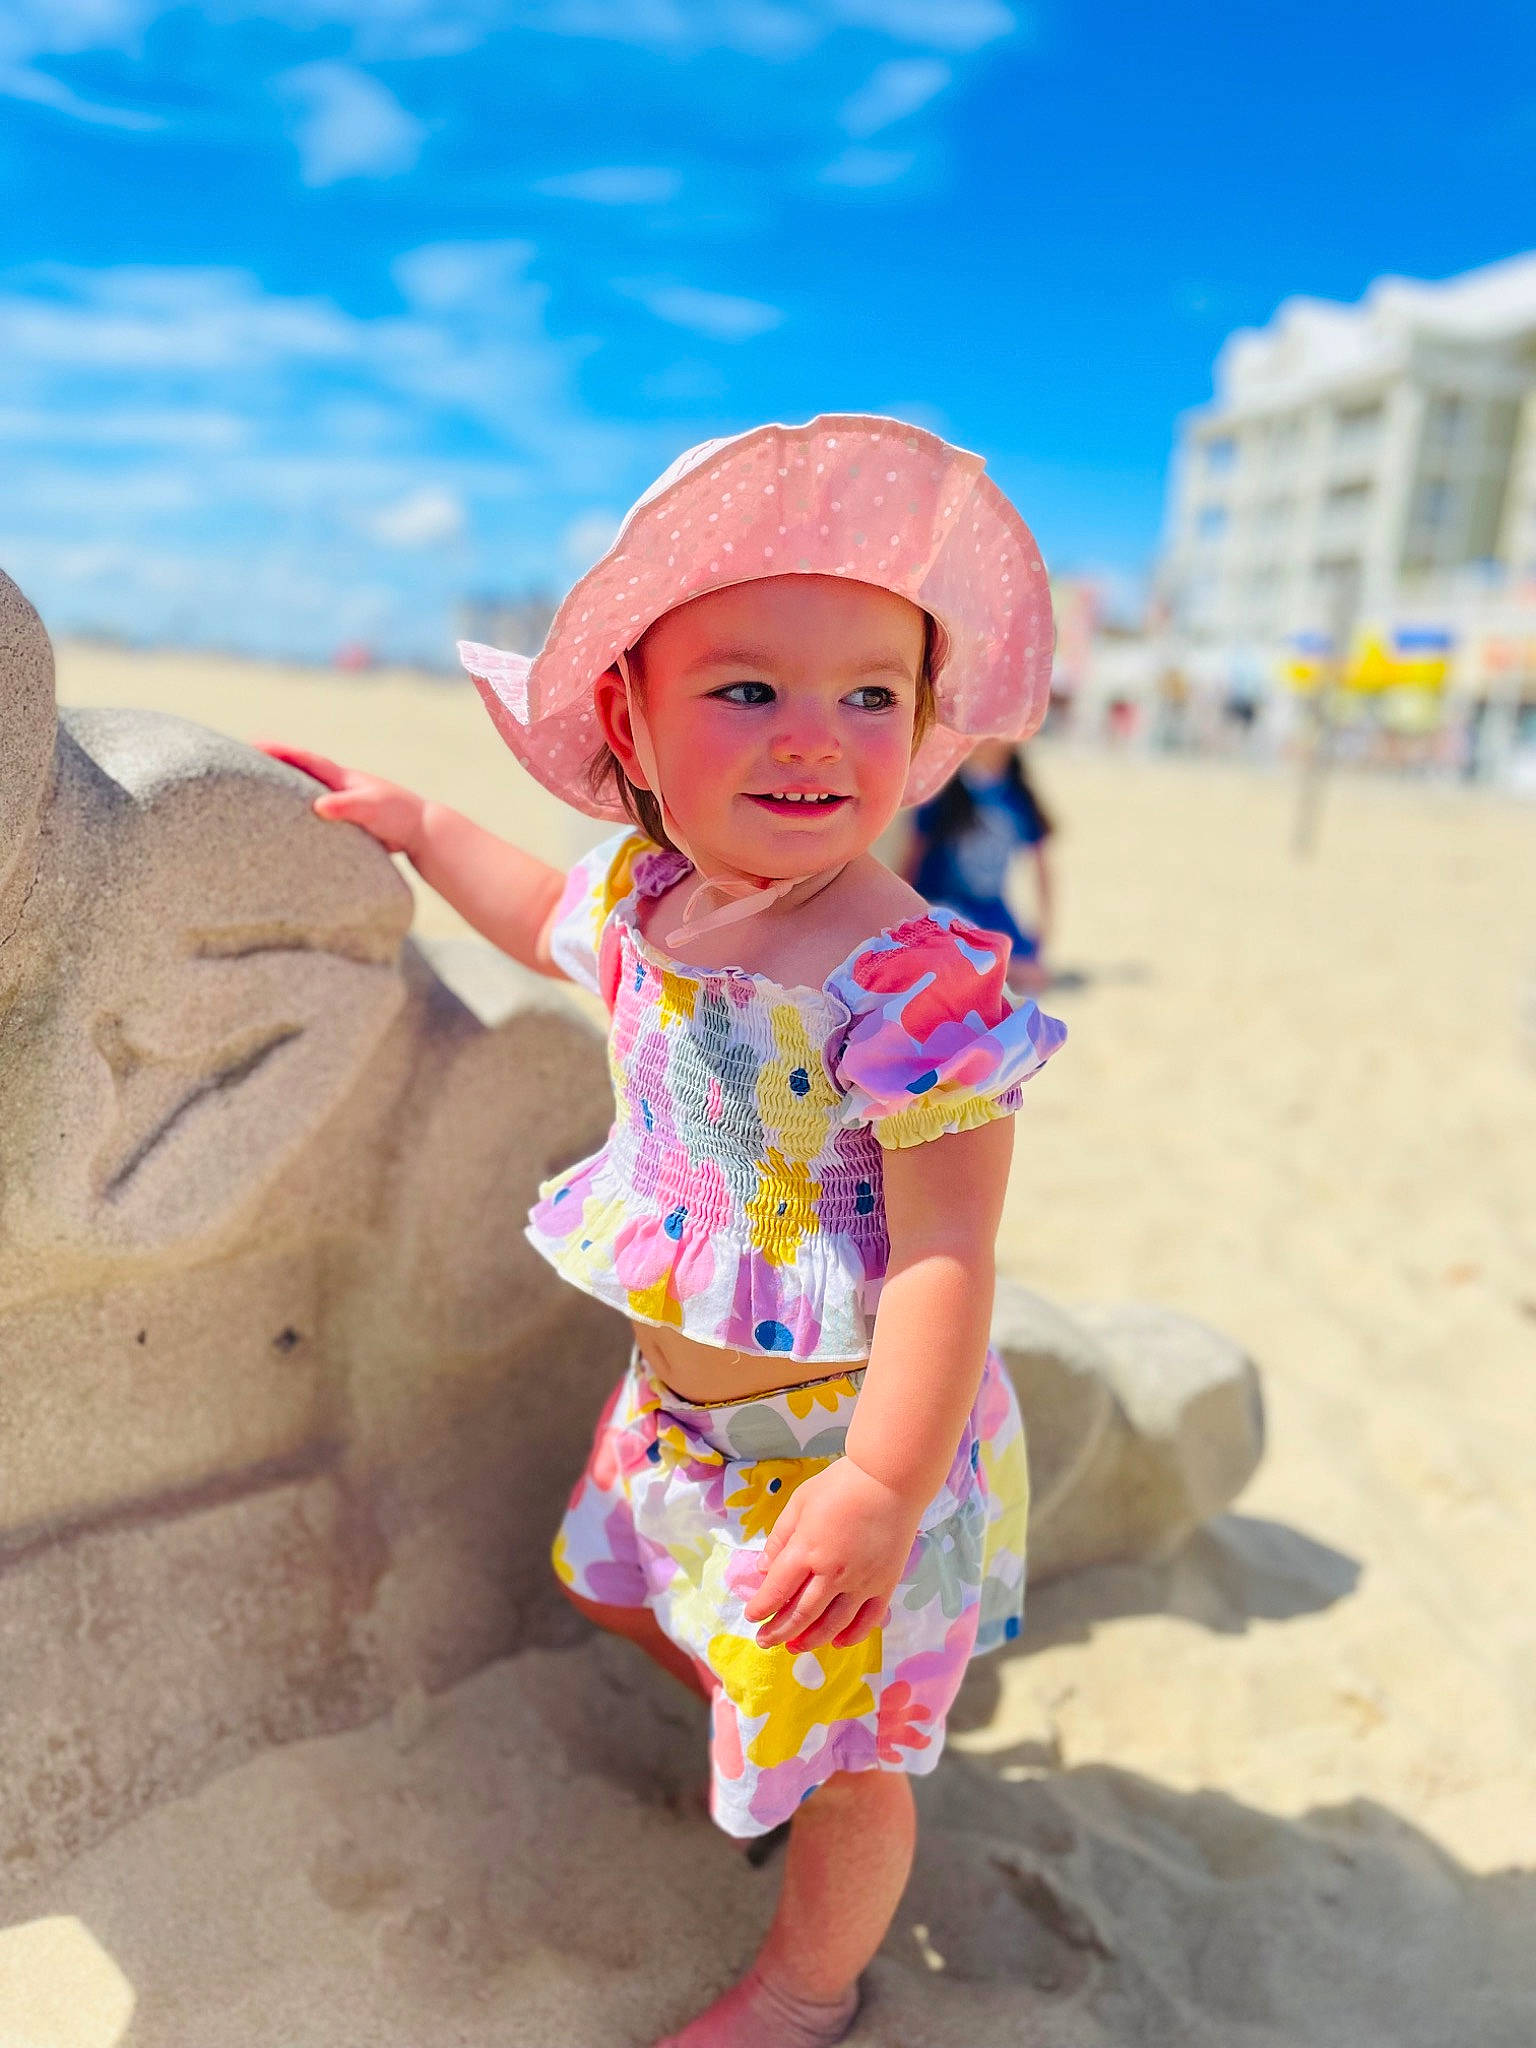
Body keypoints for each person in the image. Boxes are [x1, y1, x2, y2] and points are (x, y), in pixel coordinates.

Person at [260, 416, 1065, 2048]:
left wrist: (877, 1485)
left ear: (924, 729)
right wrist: (421, 827)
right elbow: (540, 919)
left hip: (849, 1435)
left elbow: (944, 1256)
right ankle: (752, 1724)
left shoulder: (910, 982)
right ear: (629, 709)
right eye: (746, 686)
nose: (811, 736)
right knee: (623, 1586)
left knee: (847, 1758)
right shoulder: (647, 898)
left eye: (868, 694)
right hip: (681, 1421)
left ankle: (807, 1983)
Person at [900, 737, 1055, 995]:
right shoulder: (941, 794)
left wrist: (1042, 934)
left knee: (1027, 980)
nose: (984, 741)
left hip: (991, 910)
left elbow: (1042, 871)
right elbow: (910, 862)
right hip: (940, 908)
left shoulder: (1018, 798)